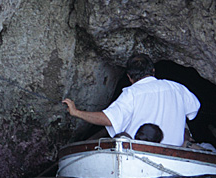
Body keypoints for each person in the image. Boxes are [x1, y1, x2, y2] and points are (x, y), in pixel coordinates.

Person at [62, 53, 201, 146]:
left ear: (129, 77)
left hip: (138, 154)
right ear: (153, 71)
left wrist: (76, 112)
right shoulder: (177, 88)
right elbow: (193, 111)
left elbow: (108, 119)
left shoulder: (132, 93)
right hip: (174, 154)